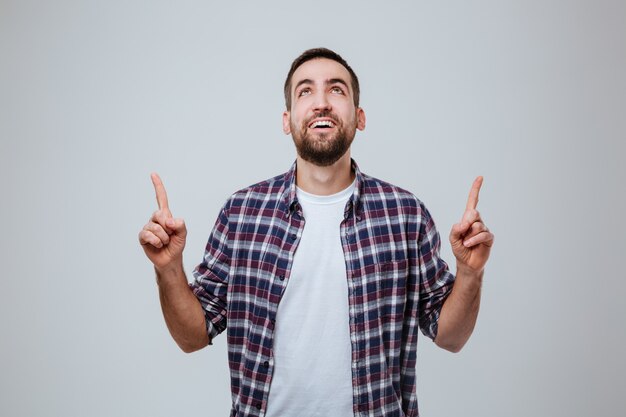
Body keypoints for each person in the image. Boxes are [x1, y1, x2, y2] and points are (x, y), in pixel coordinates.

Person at [138, 48, 494, 417]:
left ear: (360, 117)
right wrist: (168, 268)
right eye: (305, 91)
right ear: (287, 118)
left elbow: (450, 337)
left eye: (336, 90)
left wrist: (470, 274)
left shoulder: (405, 214)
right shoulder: (241, 212)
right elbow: (192, 336)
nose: (321, 103)